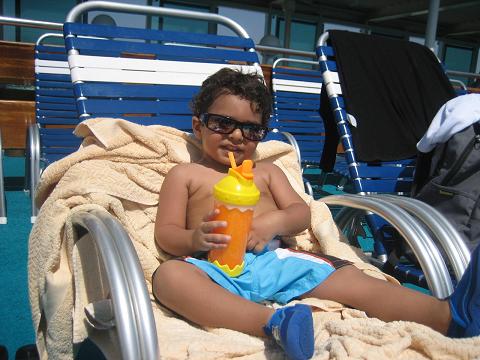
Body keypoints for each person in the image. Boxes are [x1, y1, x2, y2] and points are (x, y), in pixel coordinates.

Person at [152, 68, 480, 360]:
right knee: (169, 278)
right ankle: (271, 324)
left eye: (251, 130)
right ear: (199, 126)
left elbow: (301, 214)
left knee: (352, 280)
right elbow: (165, 234)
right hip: (214, 267)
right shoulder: (186, 175)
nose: (237, 136)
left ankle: (447, 316)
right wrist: (195, 237)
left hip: (275, 260)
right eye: (223, 124)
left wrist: (271, 222)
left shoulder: (266, 172)